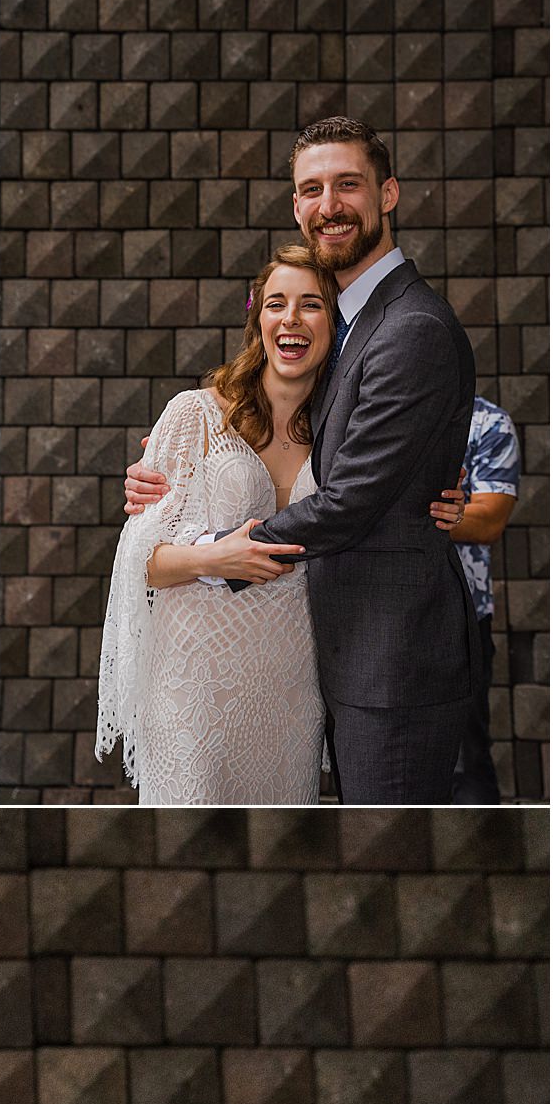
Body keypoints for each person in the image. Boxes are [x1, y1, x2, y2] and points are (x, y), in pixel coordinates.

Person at [124, 118, 483, 804]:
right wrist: (175, 489)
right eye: (311, 189)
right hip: (306, 667)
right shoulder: (351, 335)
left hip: (390, 664)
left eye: (348, 184)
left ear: (389, 193)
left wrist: (219, 549)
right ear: (295, 204)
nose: (330, 204)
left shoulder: (408, 328)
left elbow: (349, 500)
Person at [96, 247, 328, 803]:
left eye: (311, 304)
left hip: (291, 684)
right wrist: (212, 560)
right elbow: (140, 564)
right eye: (277, 304)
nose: (291, 319)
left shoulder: (344, 432)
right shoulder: (194, 414)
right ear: (259, 320)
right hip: (193, 682)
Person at [445, 395, 521, 803]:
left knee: (463, 761)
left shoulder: (487, 421)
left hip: (460, 617)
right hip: (372, 618)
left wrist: (399, 513)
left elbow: (490, 518)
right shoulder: (363, 409)